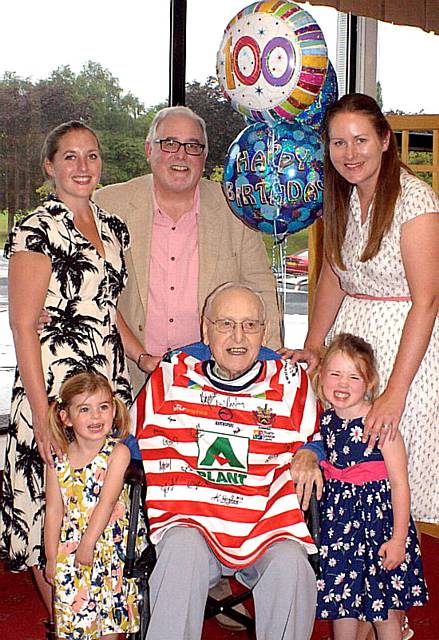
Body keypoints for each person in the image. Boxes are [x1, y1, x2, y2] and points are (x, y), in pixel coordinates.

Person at [0, 121, 148, 631]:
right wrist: (43, 417)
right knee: (51, 510)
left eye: (91, 155)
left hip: (105, 385)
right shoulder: (36, 228)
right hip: (54, 389)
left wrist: (141, 355)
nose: (83, 166)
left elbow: (105, 307)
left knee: (102, 506)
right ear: (50, 166)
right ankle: (65, 621)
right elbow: (22, 322)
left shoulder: (112, 227)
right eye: (69, 157)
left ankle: (99, 618)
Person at [133, 282, 323, 640]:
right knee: (180, 551)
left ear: (264, 332)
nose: (239, 336)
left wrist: (312, 453)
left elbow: (317, 437)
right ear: (206, 329)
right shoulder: (172, 376)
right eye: (225, 324)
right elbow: (129, 438)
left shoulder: (289, 381)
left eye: (250, 325)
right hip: (191, 520)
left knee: (292, 565)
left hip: (265, 525)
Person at [291, 93, 439, 525]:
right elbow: (334, 276)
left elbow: (427, 301)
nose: (349, 153)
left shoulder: (416, 201)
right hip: (351, 346)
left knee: (395, 471)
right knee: (347, 469)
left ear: (385, 140)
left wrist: (395, 392)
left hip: (404, 351)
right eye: (338, 143)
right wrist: (315, 344)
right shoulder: (342, 198)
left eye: (360, 140)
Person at [94, 105, 281, 396]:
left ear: (204, 156)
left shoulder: (235, 207)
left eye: (193, 146)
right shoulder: (108, 205)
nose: (181, 155)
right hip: (128, 376)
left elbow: (261, 289)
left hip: (213, 380)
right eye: (169, 143)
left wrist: (272, 366)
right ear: (148, 150)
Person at [315, 333, 427, 640]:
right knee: (342, 602)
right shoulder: (325, 422)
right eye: (335, 373)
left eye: (354, 376)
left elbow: (400, 485)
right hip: (340, 528)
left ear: (369, 383)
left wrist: (399, 539)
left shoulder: (381, 423)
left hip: (378, 528)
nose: (342, 383)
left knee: (384, 605)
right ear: (322, 375)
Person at [45, 371, 139, 639]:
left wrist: (88, 543)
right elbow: (53, 510)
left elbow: (107, 503)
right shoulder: (58, 459)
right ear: (66, 417)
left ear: (113, 410)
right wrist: (52, 557)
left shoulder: (117, 453)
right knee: (71, 622)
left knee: (107, 623)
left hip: (107, 549)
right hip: (70, 550)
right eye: (85, 409)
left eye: (103, 407)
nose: (96, 417)